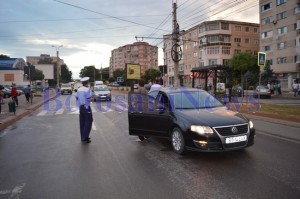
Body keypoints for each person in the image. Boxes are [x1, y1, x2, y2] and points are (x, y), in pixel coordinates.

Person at [76, 77, 94, 143]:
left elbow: (77, 98)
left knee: (82, 122)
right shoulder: (87, 90)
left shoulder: (79, 89)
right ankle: (85, 137)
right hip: (86, 107)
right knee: (89, 121)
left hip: (81, 107)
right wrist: (93, 99)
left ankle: (82, 137)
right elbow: (89, 99)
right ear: (87, 82)